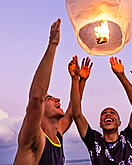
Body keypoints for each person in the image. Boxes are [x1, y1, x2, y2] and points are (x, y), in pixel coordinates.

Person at [14, 19, 84, 165]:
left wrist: (77, 79)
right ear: (40, 110)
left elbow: (72, 111)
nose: (58, 99)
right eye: (50, 99)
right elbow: (37, 96)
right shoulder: (34, 139)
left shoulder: (57, 136)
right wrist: (53, 44)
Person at [70, 55, 132, 165]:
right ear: (100, 123)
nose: (108, 115)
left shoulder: (128, 138)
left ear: (119, 122)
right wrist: (76, 79)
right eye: (104, 113)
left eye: (112, 113)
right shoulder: (93, 140)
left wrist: (121, 75)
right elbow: (76, 113)